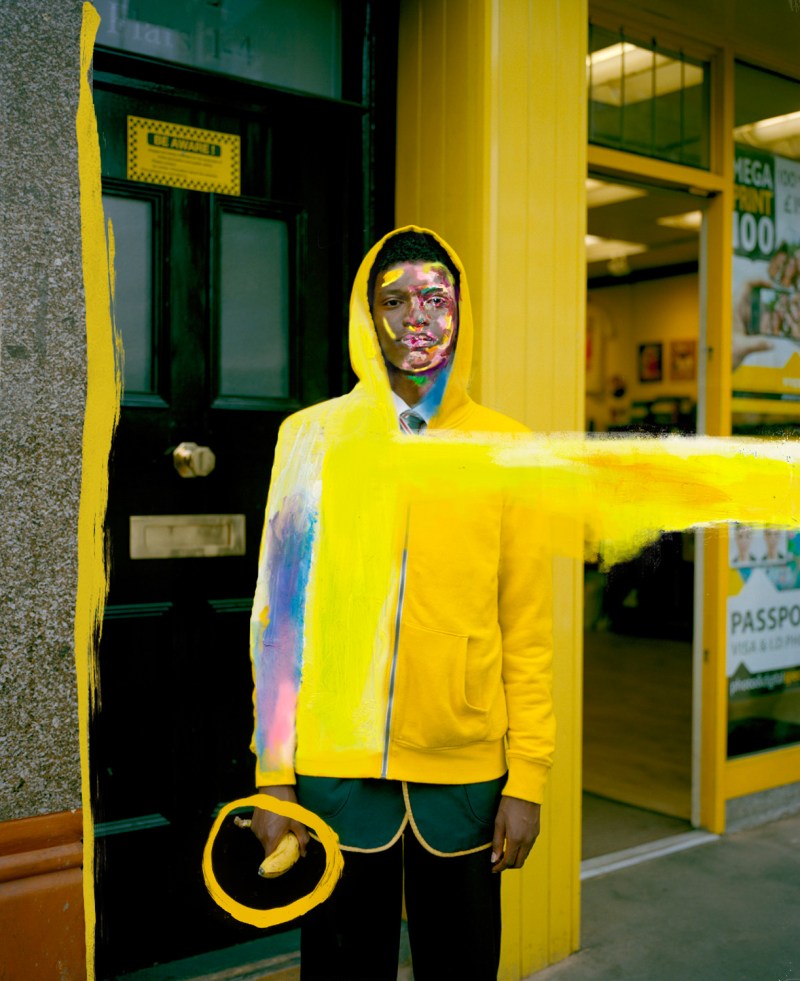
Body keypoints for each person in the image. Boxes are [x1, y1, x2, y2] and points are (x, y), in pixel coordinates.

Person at [246, 227, 555, 980]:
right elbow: (278, 623)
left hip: (466, 774)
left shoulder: (507, 448)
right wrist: (272, 774)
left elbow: (528, 628)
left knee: (463, 966)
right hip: (336, 771)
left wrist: (531, 777)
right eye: (393, 299)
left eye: (434, 297)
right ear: (367, 314)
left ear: (461, 310)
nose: (415, 317)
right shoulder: (311, 439)